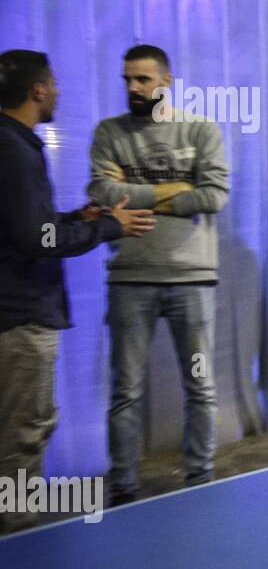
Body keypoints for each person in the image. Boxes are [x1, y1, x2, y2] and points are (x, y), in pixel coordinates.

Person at [0, 50, 154, 533]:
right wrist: (109, 227)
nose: (60, 91)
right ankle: (18, 535)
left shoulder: (13, 144)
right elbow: (35, 241)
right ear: (38, 90)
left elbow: (27, 227)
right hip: (22, 319)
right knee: (23, 437)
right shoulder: (14, 149)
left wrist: (76, 218)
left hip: (16, 314)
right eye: (55, 82)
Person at [87, 45, 230, 505]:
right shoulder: (109, 132)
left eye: (143, 80)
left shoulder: (201, 129)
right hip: (130, 277)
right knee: (125, 390)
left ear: (166, 82)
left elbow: (213, 196)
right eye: (127, 79)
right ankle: (124, 486)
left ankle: (199, 478)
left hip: (192, 277)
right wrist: (173, 191)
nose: (133, 87)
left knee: (200, 386)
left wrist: (136, 192)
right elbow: (103, 192)